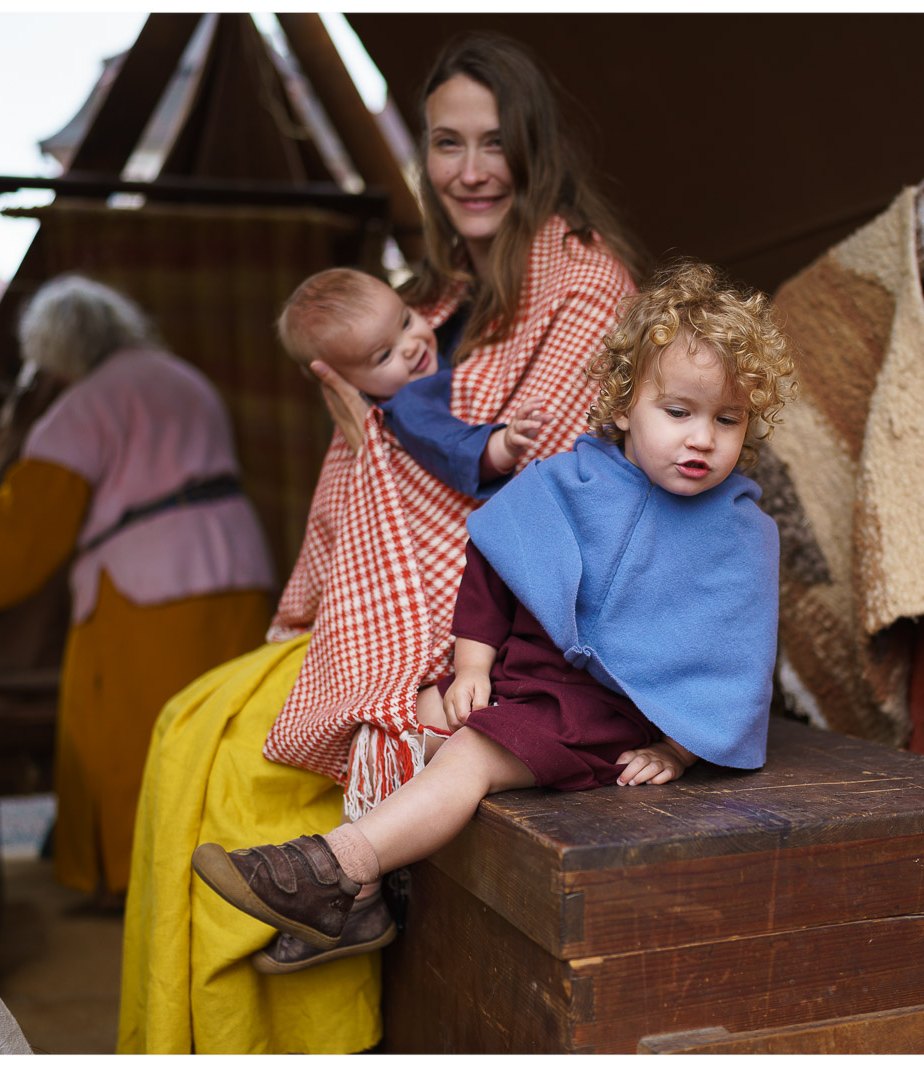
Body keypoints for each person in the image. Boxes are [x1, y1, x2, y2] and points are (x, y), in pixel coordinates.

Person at [118, 32, 643, 1054]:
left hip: (498, 621)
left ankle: (314, 1019)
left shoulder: (584, 287)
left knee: (244, 779)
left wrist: (383, 459)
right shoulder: (431, 299)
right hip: (380, 595)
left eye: (495, 141)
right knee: (187, 728)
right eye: (447, 143)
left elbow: (538, 493)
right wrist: (310, 601)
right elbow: (365, 472)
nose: (471, 170)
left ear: (537, 147)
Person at [191, 261, 796, 961]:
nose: (702, 438)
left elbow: (735, 656)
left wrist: (677, 749)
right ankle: (362, 906)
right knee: (407, 721)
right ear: (625, 405)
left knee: (471, 755)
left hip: (605, 714)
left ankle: (333, 868)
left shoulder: (741, 532)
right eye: (678, 412)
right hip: (521, 681)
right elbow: (495, 562)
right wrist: (473, 664)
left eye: (728, 419)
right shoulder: (570, 478)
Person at [0, 275, 274, 905]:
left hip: (146, 589)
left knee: (132, 738)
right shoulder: (184, 378)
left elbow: (31, 525)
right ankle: (234, 868)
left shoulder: (87, 404)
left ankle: (140, 880)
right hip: (236, 566)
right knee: (225, 733)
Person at [275, 267, 548, 500]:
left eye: (405, 322)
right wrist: (504, 445)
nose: (410, 346)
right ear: (347, 383)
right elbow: (453, 449)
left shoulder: (431, 354)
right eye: (384, 355)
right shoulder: (410, 406)